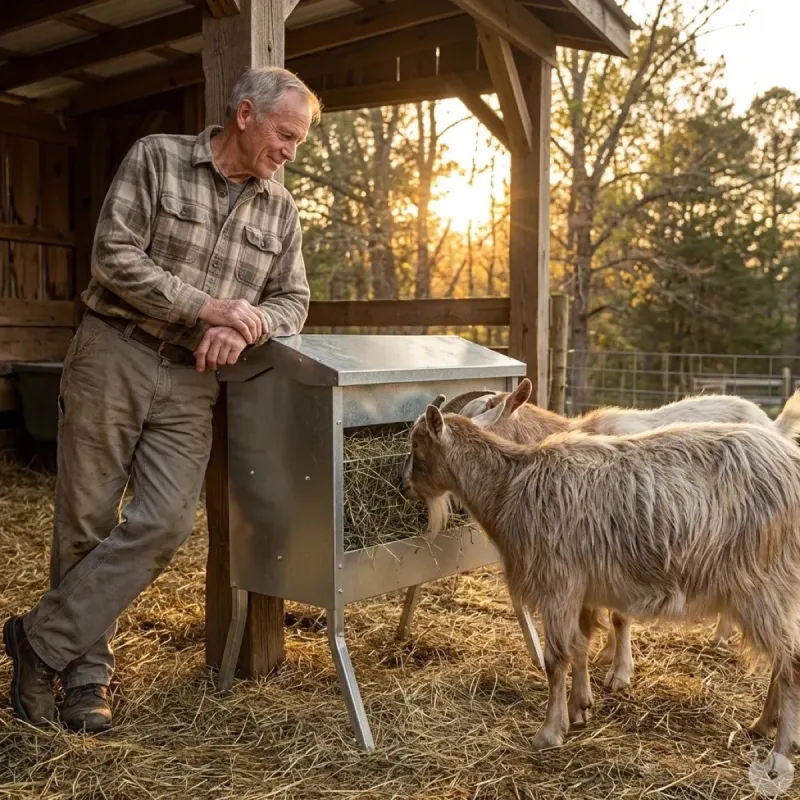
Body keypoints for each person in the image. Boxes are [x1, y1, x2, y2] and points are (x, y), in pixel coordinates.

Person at [3, 66, 320, 732]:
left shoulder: (280, 208)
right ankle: (87, 681)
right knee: (85, 521)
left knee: (166, 522)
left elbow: (294, 300)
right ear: (244, 115)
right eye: (286, 135)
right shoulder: (159, 159)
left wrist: (244, 326)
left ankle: (38, 642)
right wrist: (207, 308)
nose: (291, 152)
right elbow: (113, 255)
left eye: (299, 141)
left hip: (191, 381)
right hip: (113, 352)